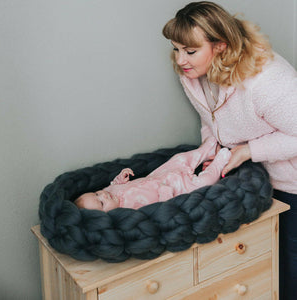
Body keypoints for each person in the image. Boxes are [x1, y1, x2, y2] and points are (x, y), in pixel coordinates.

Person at [162, 2, 297, 299]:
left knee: (290, 276)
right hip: (256, 181)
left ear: (220, 46)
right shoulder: (193, 75)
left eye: (190, 51)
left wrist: (249, 150)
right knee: (261, 271)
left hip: (292, 186)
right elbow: (211, 119)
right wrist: (207, 151)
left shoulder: (266, 78)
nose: (180, 59)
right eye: (176, 49)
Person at [75, 137, 231, 211]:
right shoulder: (128, 211)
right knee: (204, 183)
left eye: (96, 193)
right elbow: (159, 209)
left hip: (160, 175)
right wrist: (165, 192)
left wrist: (120, 177)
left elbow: (113, 185)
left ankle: (206, 150)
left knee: (179, 159)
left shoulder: (109, 192)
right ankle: (221, 161)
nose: (104, 196)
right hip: (176, 189)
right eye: (101, 203)